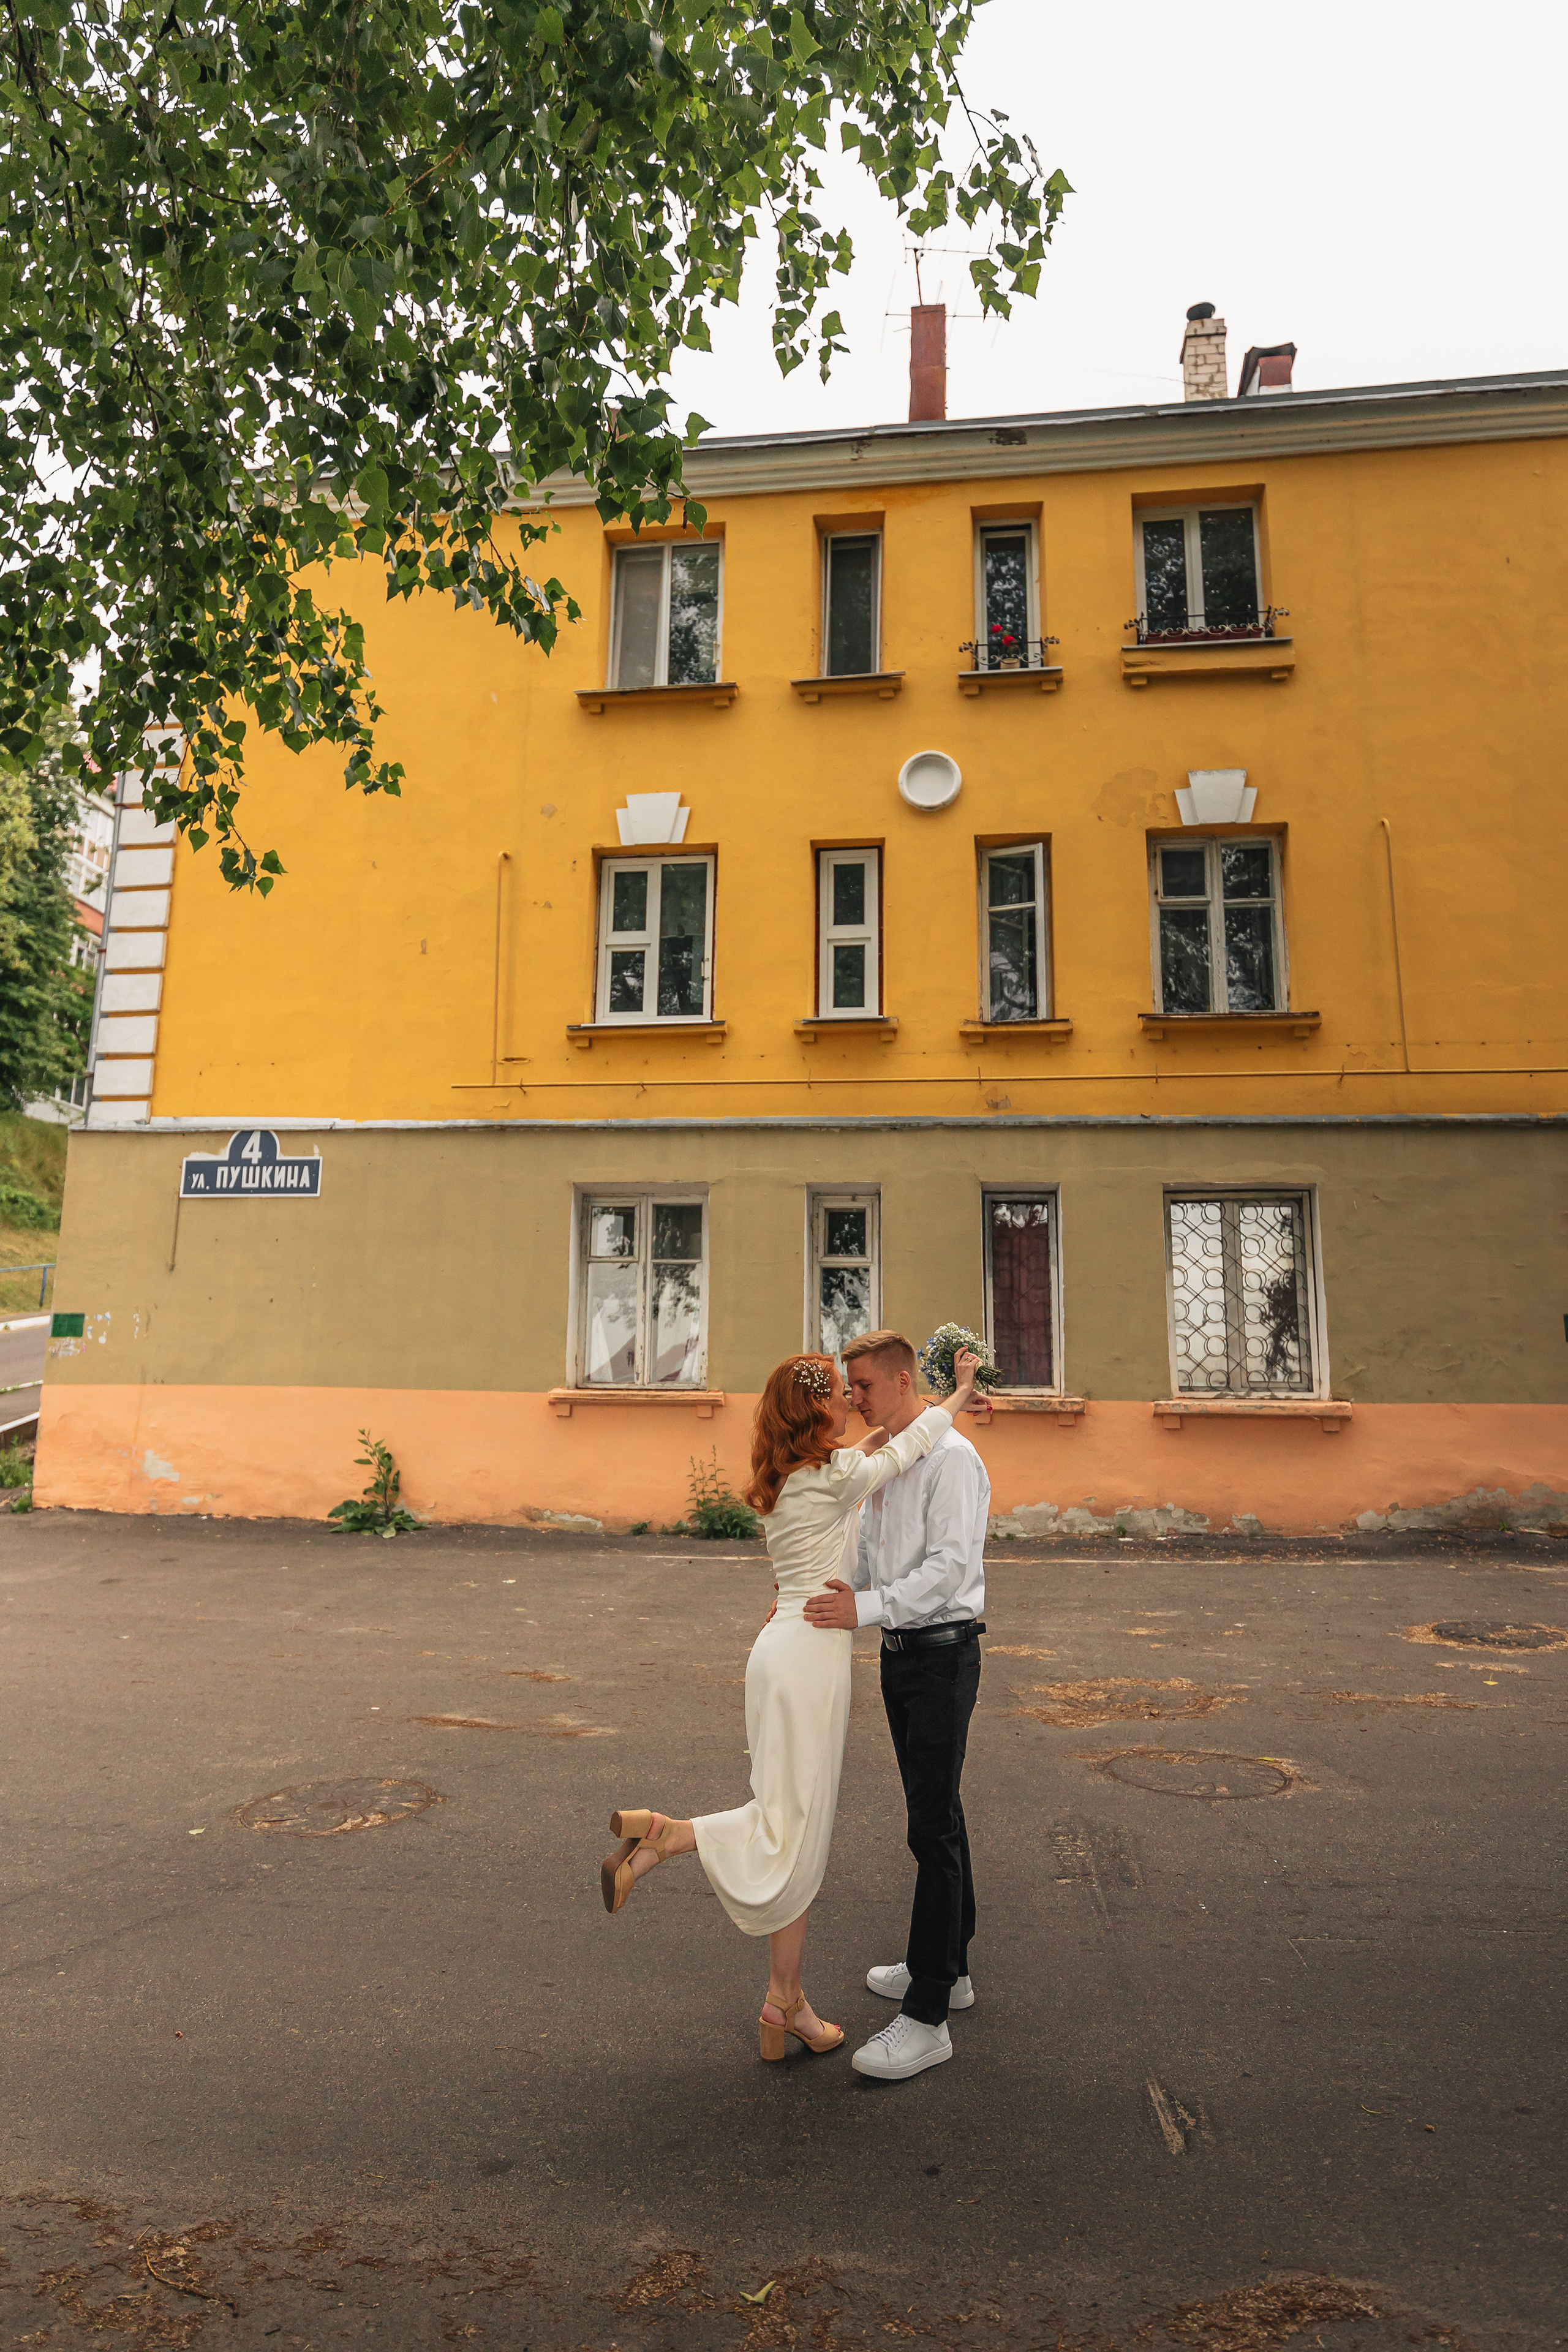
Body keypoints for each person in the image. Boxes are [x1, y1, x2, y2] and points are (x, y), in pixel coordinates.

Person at [598, 1345, 981, 2064]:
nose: (852, 1399)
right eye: (842, 1390)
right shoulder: (836, 1477)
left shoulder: (792, 1476)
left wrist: (881, 1432)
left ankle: (787, 2000)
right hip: (809, 1659)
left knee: (789, 1818)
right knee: (795, 1826)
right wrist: (957, 1394)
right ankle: (671, 1837)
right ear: (818, 1409)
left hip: (778, 1648)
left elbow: (870, 1449)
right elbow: (906, 1447)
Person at [803, 1329, 990, 2083]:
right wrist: (846, 1593)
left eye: (864, 1387)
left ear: (906, 1380)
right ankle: (949, 1967)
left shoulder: (953, 1461)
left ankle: (928, 2016)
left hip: (943, 1654)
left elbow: (949, 1570)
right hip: (901, 1655)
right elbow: (872, 1552)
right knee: (936, 1814)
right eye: (850, 1389)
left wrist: (869, 1607)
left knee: (933, 1827)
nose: (854, 1400)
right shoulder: (894, 1459)